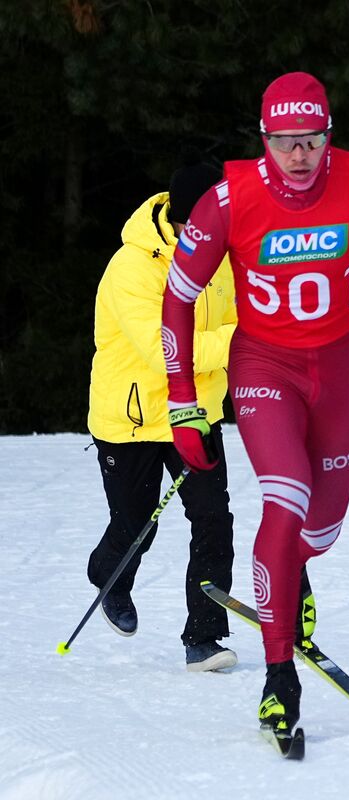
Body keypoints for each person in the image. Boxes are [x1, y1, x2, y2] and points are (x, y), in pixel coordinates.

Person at [161, 72, 349, 739]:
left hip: (340, 369)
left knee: (320, 530)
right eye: (285, 142)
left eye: (310, 141)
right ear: (265, 140)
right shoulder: (228, 199)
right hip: (265, 365)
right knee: (284, 499)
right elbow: (178, 299)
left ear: (327, 137)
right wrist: (182, 403)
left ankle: (292, 575)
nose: (298, 157)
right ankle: (278, 678)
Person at [87, 155, 239, 672]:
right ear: (178, 218)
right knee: (136, 527)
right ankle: (110, 575)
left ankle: (205, 637)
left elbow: (246, 314)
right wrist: (242, 342)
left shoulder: (223, 260)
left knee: (213, 522)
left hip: (195, 413)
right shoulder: (132, 266)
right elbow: (163, 349)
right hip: (132, 419)